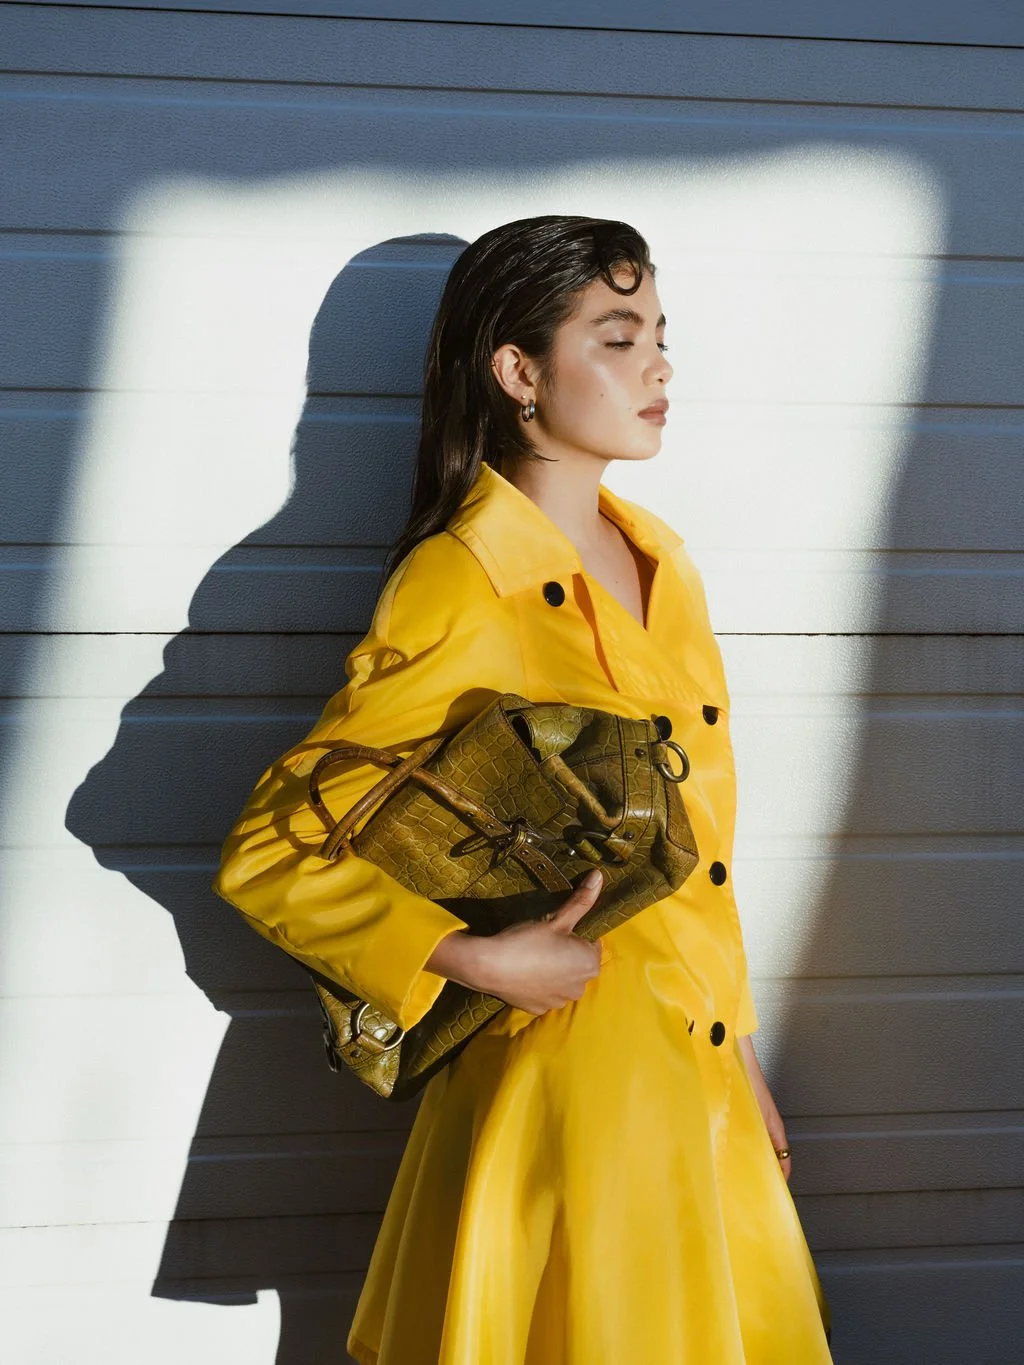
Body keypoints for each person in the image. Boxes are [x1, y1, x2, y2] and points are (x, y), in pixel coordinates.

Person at [213, 215, 834, 1364]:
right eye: (618, 337)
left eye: (659, 335)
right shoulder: (464, 578)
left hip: (691, 1069)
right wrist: (472, 959)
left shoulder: (662, 563)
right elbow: (272, 851)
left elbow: (699, 856)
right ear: (518, 372)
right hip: (570, 1082)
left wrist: (739, 1058)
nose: (659, 367)